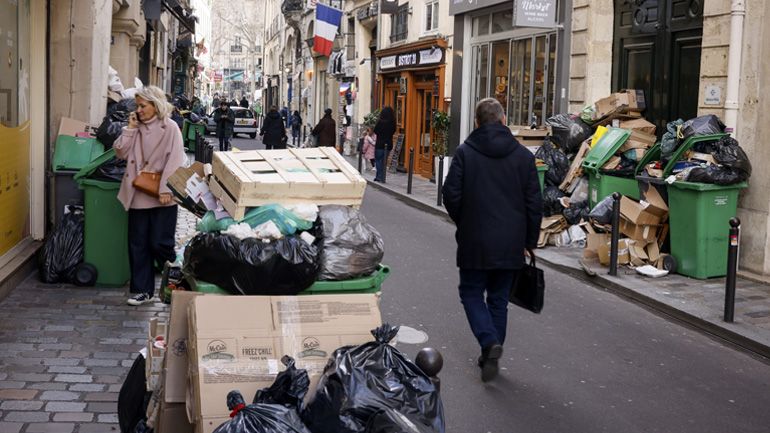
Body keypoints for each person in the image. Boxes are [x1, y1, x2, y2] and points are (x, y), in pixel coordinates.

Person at [441, 98, 542, 382]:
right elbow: (534, 201)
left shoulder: (465, 153)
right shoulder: (524, 156)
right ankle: (491, 350)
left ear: (476, 122)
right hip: (511, 242)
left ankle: (489, 343)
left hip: (475, 239)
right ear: (504, 120)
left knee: (471, 293)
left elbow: (450, 195)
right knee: (498, 299)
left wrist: (466, 220)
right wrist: (530, 239)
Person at [113, 85, 186, 306]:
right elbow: (120, 152)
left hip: (161, 196)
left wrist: (166, 189)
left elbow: (175, 160)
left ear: (156, 105)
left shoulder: (170, 127)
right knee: (138, 244)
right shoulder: (137, 127)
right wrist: (130, 128)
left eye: (143, 105)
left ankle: (177, 280)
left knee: (160, 243)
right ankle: (142, 290)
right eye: (138, 106)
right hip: (138, 194)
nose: (139, 110)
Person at [373, 106, 396, 181]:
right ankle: (381, 176)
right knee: (383, 161)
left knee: (378, 160)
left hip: (380, 143)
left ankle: (379, 177)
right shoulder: (392, 122)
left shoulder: (380, 122)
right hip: (389, 144)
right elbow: (394, 131)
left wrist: (381, 134)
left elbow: (375, 130)